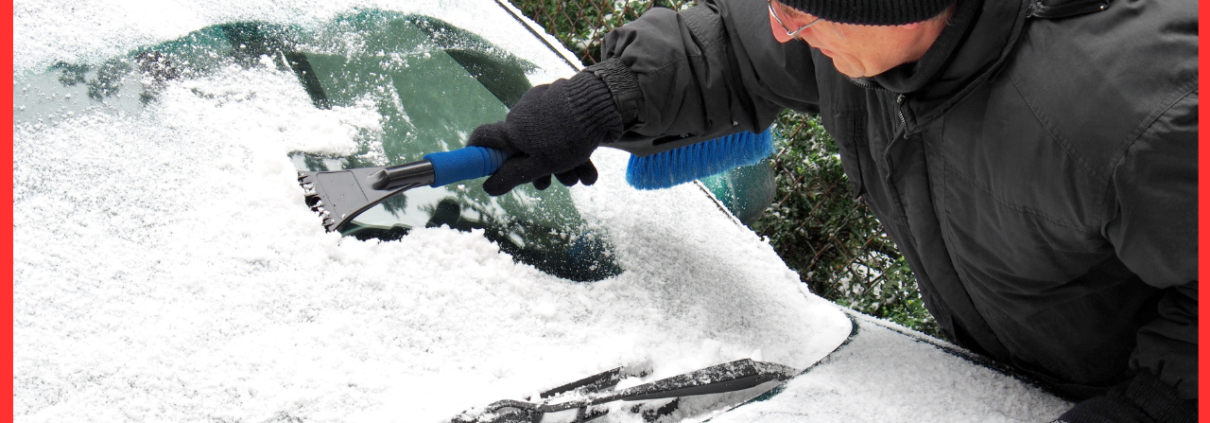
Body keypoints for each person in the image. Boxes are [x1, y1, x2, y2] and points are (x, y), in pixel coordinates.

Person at [466, 0, 1198, 420]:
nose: (784, 25)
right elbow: (733, 46)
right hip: (1005, 382)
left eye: (800, 9)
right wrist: (600, 100)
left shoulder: (1136, 117)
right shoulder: (857, 31)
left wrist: (1155, 406)